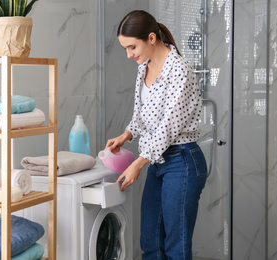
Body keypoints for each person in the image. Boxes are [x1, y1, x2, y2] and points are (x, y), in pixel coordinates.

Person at [105, 10, 208, 260]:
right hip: (158, 160)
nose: (129, 55)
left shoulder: (179, 70)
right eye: (126, 49)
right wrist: (126, 135)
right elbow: (142, 113)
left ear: (151, 38)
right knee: (150, 241)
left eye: (132, 47)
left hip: (182, 161)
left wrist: (139, 163)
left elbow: (168, 127)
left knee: (176, 245)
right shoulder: (145, 66)